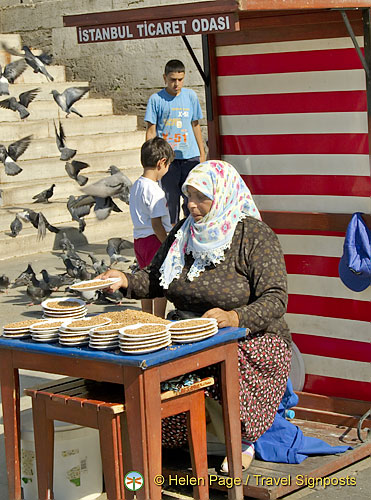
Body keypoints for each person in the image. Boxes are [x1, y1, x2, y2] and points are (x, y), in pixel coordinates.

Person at [100, 160, 292, 469]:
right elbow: (154, 278)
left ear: (223, 195)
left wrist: (234, 317)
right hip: (187, 331)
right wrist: (123, 281)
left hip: (249, 336)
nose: (191, 205)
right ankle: (170, 435)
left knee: (226, 362)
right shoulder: (183, 233)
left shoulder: (253, 235)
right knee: (137, 365)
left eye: (201, 197)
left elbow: (275, 299)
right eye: (188, 195)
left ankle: (240, 440)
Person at [145, 59, 206, 224]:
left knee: (191, 198)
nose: (176, 84)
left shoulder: (191, 96)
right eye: (172, 79)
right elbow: (151, 130)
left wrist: (202, 153)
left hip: (190, 157)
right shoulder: (156, 100)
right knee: (170, 200)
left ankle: (191, 230)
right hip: (168, 160)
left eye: (180, 79)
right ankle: (173, 233)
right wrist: (150, 159)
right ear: (165, 77)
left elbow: (195, 125)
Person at [129, 137, 174, 318]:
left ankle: (146, 316)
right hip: (154, 241)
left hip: (139, 240)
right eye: (168, 164)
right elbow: (156, 224)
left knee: (144, 280)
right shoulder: (156, 191)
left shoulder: (136, 186)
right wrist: (168, 244)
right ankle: (159, 319)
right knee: (160, 282)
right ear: (161, 163)